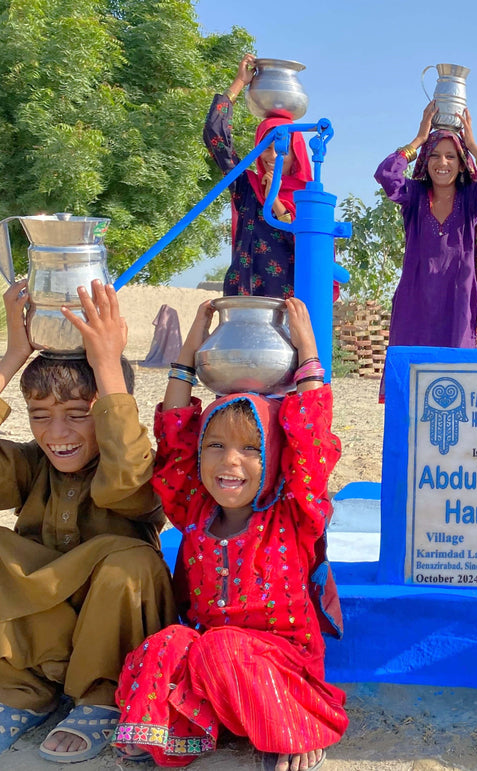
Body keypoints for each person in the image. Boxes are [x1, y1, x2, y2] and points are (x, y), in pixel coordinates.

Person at [112, 297, 347, 771]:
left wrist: (307, 355)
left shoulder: (292, 516)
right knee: (168, 643)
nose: (229, 462)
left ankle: (295, 728)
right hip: (211, 669)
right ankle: (177, 733)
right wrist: (186, 357)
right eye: (215, 446)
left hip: (281, 669)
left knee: (222, 647)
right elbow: (174, 439)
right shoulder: (194, 510)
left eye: (250, 449)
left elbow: (312, 441)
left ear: (277, 461)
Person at [0, 279, 175, 763]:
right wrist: (14, 354)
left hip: (108, 625)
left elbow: (129, 483)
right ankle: (20, 690)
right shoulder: (32, 463)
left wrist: (108, 368)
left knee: (132, 564)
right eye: (40, 416)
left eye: (78, 415)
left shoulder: (136, 462)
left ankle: (102, 697)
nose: (57, 435)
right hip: (44, 629)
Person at [375, 101, 477, 361]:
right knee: (412, 377)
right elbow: (386, 174)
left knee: (457, 376)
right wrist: (418, 139)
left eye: (451, 156)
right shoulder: (413, 196)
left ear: (461, 164)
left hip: (458, 304)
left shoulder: (471, 199)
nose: (442, 162)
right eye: (434, 155)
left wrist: (472, 145)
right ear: (426, 161)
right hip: (415, 304)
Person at [204, 53, 313, 298]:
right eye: (266, 146)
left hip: (287, 308)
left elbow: (310, 251)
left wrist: (275, 202)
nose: (272, 155)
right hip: (242, 299)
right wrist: (239, 83)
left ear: (297, 152)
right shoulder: (247, 186)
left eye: (282, 148)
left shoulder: (309, 199)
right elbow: (215, 136)